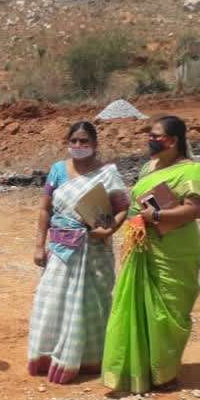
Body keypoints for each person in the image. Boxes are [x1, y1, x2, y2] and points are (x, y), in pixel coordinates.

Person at [101, 116, 200, 393]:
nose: (151, 139)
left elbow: (195, 210)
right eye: (150, 134)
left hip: (173, 248)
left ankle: (166, 373)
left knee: (168, 309)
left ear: (173, 140)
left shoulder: (192, 171)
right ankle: (141, 368)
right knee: (137, 304)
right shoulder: (150, 167)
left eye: (157, 135)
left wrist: (158, 214)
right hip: (143, 245)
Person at [28, 122, 129, 384]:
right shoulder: (58, 170)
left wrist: (109, 231)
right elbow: (44, 210)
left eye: (85, 141)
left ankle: (89, 359)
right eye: (74, 140)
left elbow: (121, 208)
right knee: (52, 301)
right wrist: (39, 245)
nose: (79, 146)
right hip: (60, 248)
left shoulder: (107, 174)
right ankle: (51, 357)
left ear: (95, 144)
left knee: (91, 303)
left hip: (94, 248)